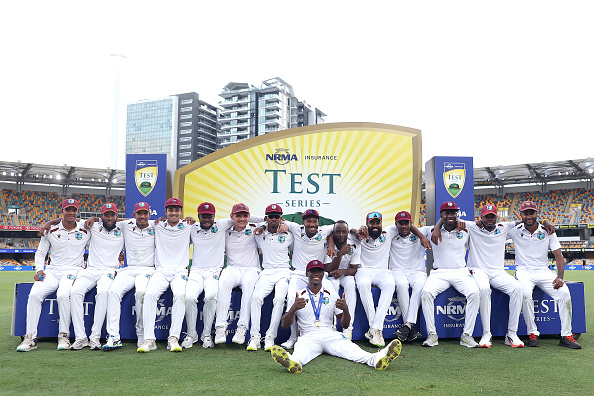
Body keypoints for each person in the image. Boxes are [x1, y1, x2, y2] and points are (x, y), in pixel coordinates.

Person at [269, 260, 402, 373]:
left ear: (323, 274)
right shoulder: (298, 295)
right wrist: (293, 308)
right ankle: (292, 362)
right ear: (307, 274)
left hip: (330, 335)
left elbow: (344, 324)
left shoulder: (330, 293)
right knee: (300, 355)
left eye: (319, 271)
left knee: (352, 350)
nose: (316, 274)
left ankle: (377, 359)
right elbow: (285, 325)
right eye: (313, 271)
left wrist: (346, 310)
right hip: (308, 336)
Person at [441, 204, 526, 348]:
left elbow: (524, 222)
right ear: (482, 218)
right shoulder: (472, 226)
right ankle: (487, 333)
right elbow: (448, 220)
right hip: (478, 269)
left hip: (498, 271)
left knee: (517, 288)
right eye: (487, 217)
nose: (490, 220)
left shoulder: (504, 227)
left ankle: (511, 333)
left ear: (496, 217)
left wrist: (545, 222)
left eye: (492, 216)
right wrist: (437, 228)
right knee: (485, 289)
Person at [17, 199, 90, 352]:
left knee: (63, 295)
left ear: (78, 212)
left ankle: (64, 336)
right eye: (67, 210)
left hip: (72, 271)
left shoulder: (85, 229)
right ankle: (30, 338)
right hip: (51, 271)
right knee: (34, 294)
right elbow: (41, 253)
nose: (71, 213)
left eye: (74, 210)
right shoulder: (51, 230)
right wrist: (39, 270)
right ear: (62, 211)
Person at [509, 201, 581, 349]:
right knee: (525, 294)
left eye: (532, 213)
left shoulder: (547, 230)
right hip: (523, 271)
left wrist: (560, 277)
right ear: (521, 214)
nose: (529, 216)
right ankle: (533, 333)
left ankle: (566, 335)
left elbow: (558, 255)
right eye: (525, 213)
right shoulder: (514, 230)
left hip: (544, 271)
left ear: (536, 213)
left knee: (564, 294)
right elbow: (496, 229)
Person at [421, 201, 480, 348]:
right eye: (446, 213)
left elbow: (485, 222)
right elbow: (409, 228)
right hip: (439, 272)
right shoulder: (430, 230)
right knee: (426, 293)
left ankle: (467, 335)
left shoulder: (466, 227)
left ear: (457, 214)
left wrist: (543, 221)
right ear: (441, 215)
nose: (450, 216)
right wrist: (436, 227)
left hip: (460, 272)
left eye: (453, 213)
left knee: (474, 293)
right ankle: (432, 335)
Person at [138, 197, 192, 353]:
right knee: (149, 295)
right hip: (160, 271)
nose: (173, 213)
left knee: (180, 295)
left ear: (181, 211)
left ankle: (173, 338)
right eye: (170, 210)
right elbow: (131, 220)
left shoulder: (189, 225)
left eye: (176, 210)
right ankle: (149, 339)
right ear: (165, 211)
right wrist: (93, 218)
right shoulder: (158, 225)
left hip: (180, 271)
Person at [69, 203, 124, 350]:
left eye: (112, 215)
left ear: (117, 216)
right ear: (101, 216)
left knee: (103, 293)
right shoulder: (92, 226)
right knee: (75, 292)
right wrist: (49, 223)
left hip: (109, 271)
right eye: (106, 215)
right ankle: (80, 337)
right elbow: (68, 220)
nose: (109, 218)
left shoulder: (123, 228)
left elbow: (138, 220)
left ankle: (95, 337)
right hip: (91, 269)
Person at [102, 202, 156, 351]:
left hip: (148, 270)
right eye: (139, 213)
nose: (142, 216)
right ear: (134, 215)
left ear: (149, 215)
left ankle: (141, 334)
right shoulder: (126, 225)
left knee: (141, 293)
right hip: (129, 269)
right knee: (113, 292)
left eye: (145, 213)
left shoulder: (156, 226)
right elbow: (110, 220)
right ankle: (114, 337)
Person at [281, 209, 335, 349]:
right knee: (292, 298)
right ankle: (293, 338)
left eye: (314, 221)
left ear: (318, 222)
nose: (312, 224)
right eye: (308, 221)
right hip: (299, 274)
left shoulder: (324, 230)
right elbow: (275, 220)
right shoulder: (295, 228)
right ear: (303, 222)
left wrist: (331, 243)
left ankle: (333, 332)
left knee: (332, 296)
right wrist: (281, 225)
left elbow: (340, 226)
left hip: (318, 274)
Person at [184, 202, 234, 349]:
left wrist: (265, 223)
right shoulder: (191, 228)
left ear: (214, 216)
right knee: (189, 297)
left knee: (211, 296)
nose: (207, 219)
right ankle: (191, 334)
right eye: (204, 216)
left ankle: (206, 335)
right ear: (198, 216)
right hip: (196, 271)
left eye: (209, 216)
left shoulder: (222, 225)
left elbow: (244, 218)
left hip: (214, 272)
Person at [214, 203, 264, 345]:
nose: (242, 219)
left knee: (249, 284)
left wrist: (248, 218)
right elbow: (212, 223)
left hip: (252, 269)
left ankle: (242, 328)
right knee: (223, 282)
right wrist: (235, 221)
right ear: (231, 217)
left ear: (249, 216)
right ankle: (220, 328)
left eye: (245, 215)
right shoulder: (225, 230)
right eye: (238, 216)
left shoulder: (255, 229)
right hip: (232, 268)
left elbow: (268, 219)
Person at [247, 204, 293, 351]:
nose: (274, 219)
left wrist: (286, 224)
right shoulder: (259, 233)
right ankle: (254, 337)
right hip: (266, 272)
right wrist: (263, 223)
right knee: (255, 298)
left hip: (284, 272)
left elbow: (300, 230)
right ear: (267, 217)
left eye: (277, 217)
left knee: (279, 299)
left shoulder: (289, 235)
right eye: (271, 216)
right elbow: (247, 218)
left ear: (281, 218)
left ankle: (270, 337)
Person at [389, 211, 430, 343]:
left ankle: (407, 326)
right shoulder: (391, 232)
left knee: (419, 285)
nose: (404, 226)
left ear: (411, 223)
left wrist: (421, 236)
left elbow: (440, 226)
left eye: (406, 223)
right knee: (401, 285)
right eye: (401, 223)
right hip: (397, 271)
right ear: (396, 224)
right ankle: (410, 327)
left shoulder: (422, 231)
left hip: (417, 271)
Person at [324, 220, 360, 339]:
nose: (341, 234)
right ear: (333, 233)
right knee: (332, 283)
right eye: (338, 232)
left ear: (347, 232)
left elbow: (354, 269)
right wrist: (339, 255)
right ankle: (332, 326)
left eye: (344, 232)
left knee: (350, 283)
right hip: (331, 275)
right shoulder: (327, 244)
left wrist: (343, 271)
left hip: (345, 274)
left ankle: (348, 328)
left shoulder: (354, 243)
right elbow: (328, 269)